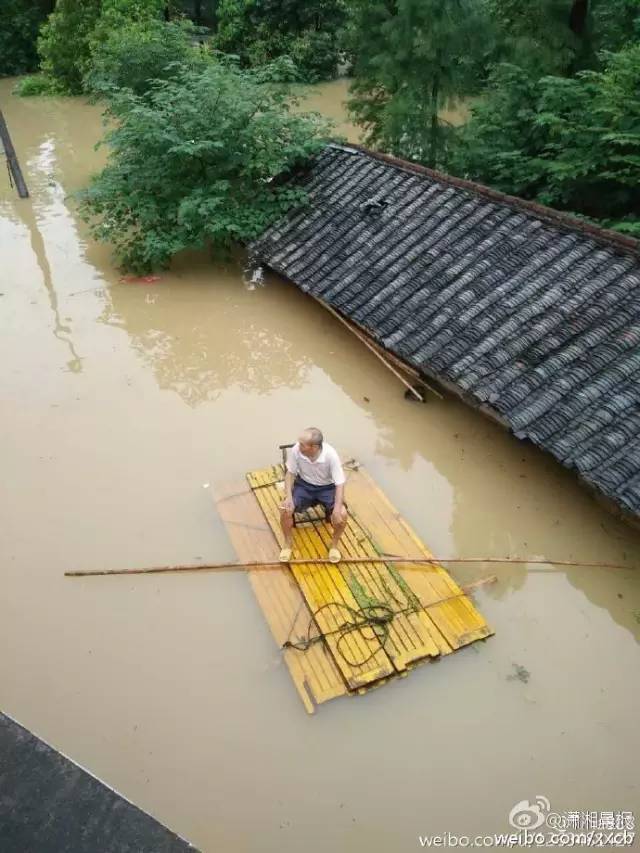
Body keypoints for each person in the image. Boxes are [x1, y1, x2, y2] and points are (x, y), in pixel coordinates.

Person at [279, 427, 347, 563]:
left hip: (327, 488)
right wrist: (288, 498)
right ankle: (287, 544)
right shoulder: (296, 451)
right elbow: (290, 473)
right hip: (304, 485)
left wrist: (337, 509)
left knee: (343, 514)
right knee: (285, 510)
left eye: (302, 444)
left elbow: (340, 483)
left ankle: (334, 545)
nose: (298, 446)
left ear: (314, 447)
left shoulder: (330, 455)